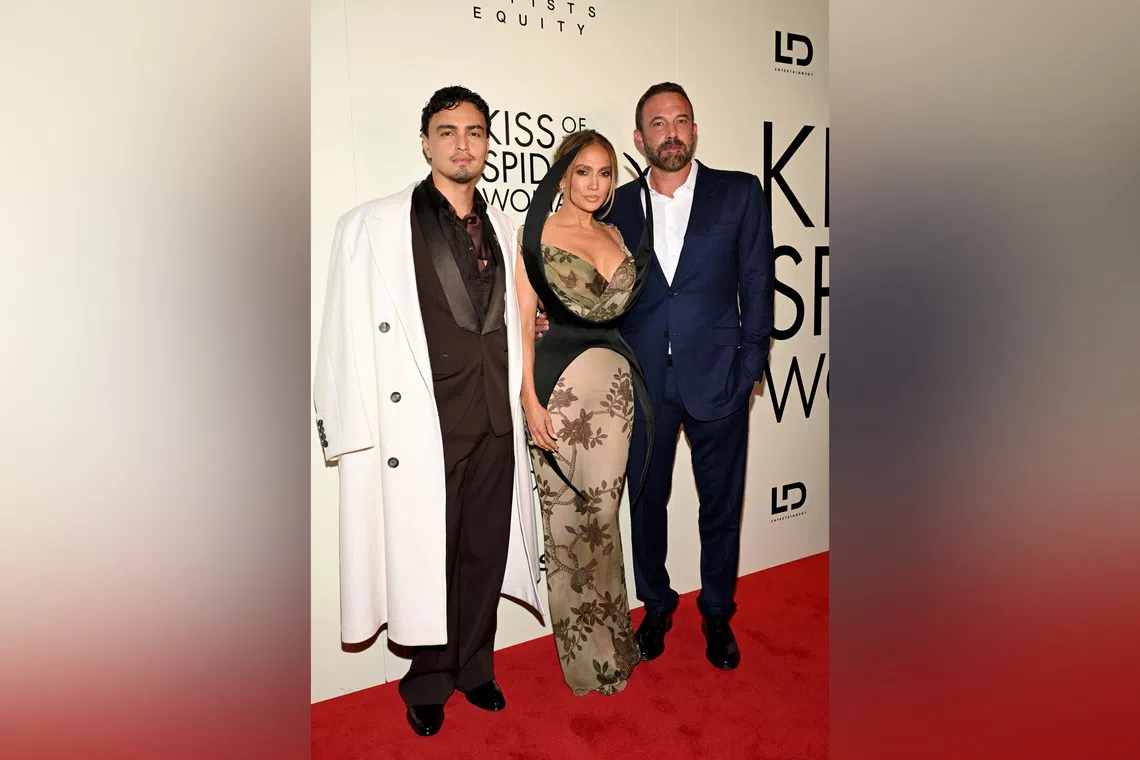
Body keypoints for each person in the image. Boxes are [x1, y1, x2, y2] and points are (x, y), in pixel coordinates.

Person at [313, 85, 543, 738]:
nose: (462, 145)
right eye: (448, 132)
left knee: (483, 554)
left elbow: (508, 318)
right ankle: (429, 681)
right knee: (428, 558)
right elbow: (338, 335)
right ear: (425, 143)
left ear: (488, 144)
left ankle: (475, 668)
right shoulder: (373, 226)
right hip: (422, 424)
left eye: (475, 132)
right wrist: (344, 428)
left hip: (495, 419)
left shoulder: (504, 227)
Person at [538, 83, 774, 669]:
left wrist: (749, 368)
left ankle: (716, 612)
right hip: (640, 382)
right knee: (646, 504)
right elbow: (583, 273)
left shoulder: (740, 192)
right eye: (658, 123)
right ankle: (658, 604)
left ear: (694, 129)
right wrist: (546, 316)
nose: (671, 132)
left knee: (721, 506)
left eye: (681, 120)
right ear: (639, 139)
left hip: (719, 378)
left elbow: (757, 283)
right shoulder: (614, 203)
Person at [514, 129, 656, 695]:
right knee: (566, 525)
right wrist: (529, 400)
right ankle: (585, 661)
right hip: (559, 390)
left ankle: (614, 645)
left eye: (604, 173)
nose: (594, 185)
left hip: (615, 390)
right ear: (562, 175)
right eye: (582, 172)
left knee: (603, 519)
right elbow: (522, 324)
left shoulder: (616, 234)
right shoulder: (535, 233)